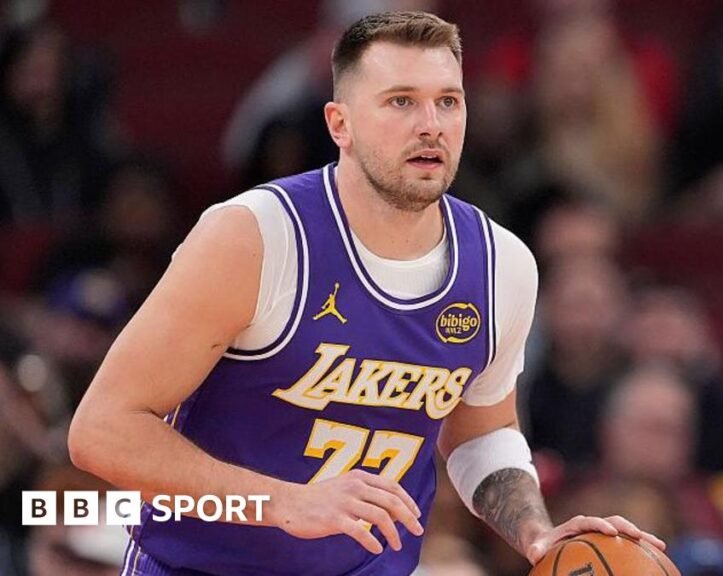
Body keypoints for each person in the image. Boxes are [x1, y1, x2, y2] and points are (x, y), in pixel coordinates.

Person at [67, 11, 663, 576]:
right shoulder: (255, 236)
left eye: (447, 102)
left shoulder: (501, 264)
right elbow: (103, 430)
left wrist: (535, 532)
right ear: (339, 124)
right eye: (401, 101)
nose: (430, 123)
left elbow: (483, 432)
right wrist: (281, 502)